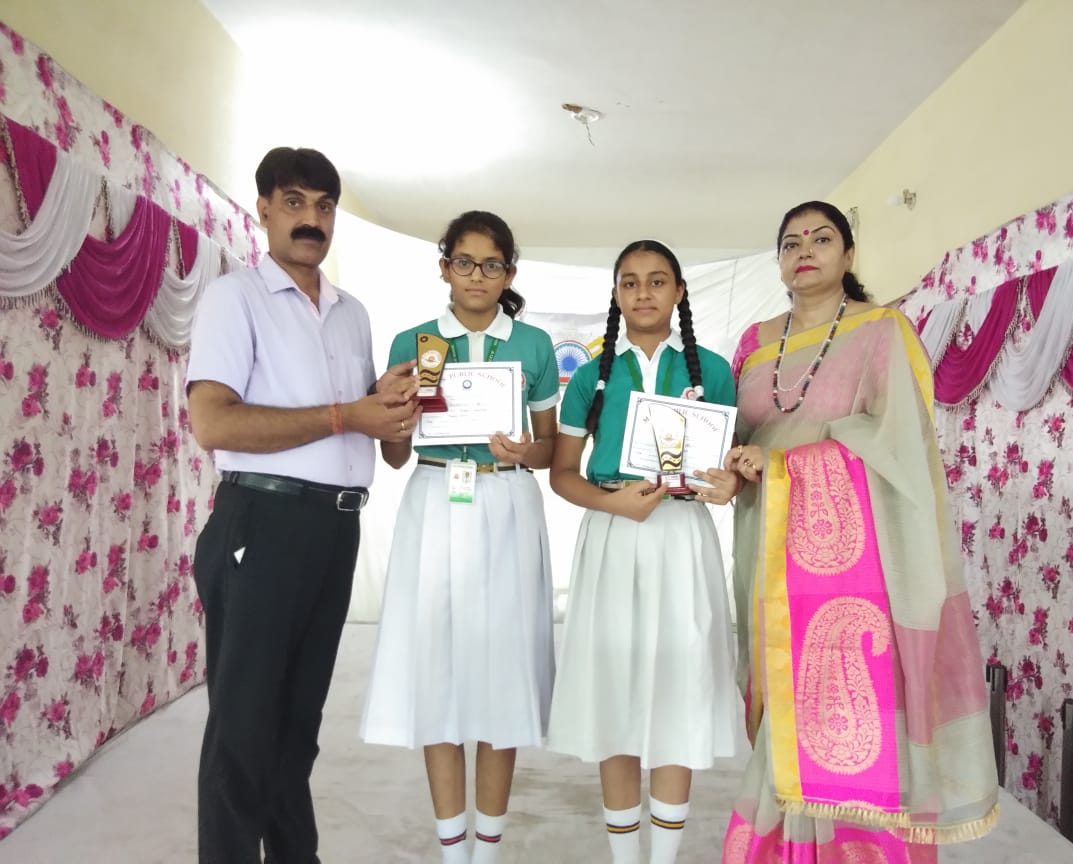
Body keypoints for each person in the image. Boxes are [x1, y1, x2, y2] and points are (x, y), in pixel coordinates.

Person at [720, 201, 999, 863]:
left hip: (855, 566)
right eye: (791, 243)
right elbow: (738, 435)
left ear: (848, 255)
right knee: (783, 711)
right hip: (767, 547)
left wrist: (785, 465)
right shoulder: (754, 342)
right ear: (779, 261)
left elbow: (900, 446)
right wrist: (726, 467)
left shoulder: (881, 331)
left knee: (853, 715)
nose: (805, 251)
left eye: (822, 239)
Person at [185, 146, 420, 864]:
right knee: (243, 730)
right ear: (263, 210)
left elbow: (385, 444)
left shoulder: (352, 314)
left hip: (336, 528)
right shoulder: (235, 298)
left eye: (323, 206)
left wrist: (396, 410)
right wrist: (350, 414)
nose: (310, 219)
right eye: (293, 203)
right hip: (261, 523)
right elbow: (214, 424)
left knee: (297, 727)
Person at [359, 211, 559, 864]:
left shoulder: (533, 345)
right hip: (434, 498)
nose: (478, 275)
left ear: (510, 273)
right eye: (465, 262)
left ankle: (488, 851)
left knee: (503, 675)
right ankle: (453, 851)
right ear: (444, 267)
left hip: (507, 501)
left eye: (492, 264)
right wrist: (394, 414)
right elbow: (394, 456)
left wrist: (523, 451)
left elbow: (549, 448)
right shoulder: (413, 342)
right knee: (437, 673)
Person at [547, 240, 740, 864]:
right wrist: (614, 504)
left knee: (679, 689)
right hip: (614, 534)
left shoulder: (712, 371)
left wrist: (728, 485)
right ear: (616, 295)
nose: (643, 292)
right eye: (629, 282)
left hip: (683, 538)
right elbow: (563, 475)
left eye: (657, 281)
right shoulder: (591, 378)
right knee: (617, 692)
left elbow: (731, 465)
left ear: (679, 292)